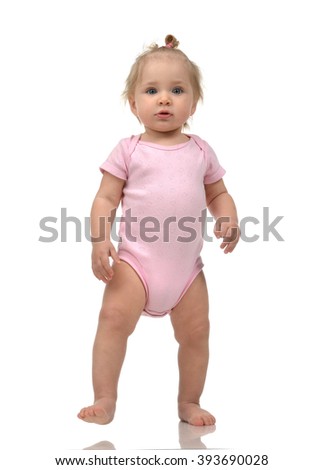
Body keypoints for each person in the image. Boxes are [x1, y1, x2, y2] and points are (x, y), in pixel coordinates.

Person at [77, 34, 239, 427]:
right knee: (113, 320)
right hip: (135, 264)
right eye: (152, 91)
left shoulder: (200, 151)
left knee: (197, 334)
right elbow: (105, 200)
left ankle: (189, 402)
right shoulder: (128, 150)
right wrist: (100, 239)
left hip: (186, 272)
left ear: (193, 103)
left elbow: (218, 192)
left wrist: (228, 216)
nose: (164, 99)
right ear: (134, 104)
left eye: (177, 90)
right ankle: (105, 397)